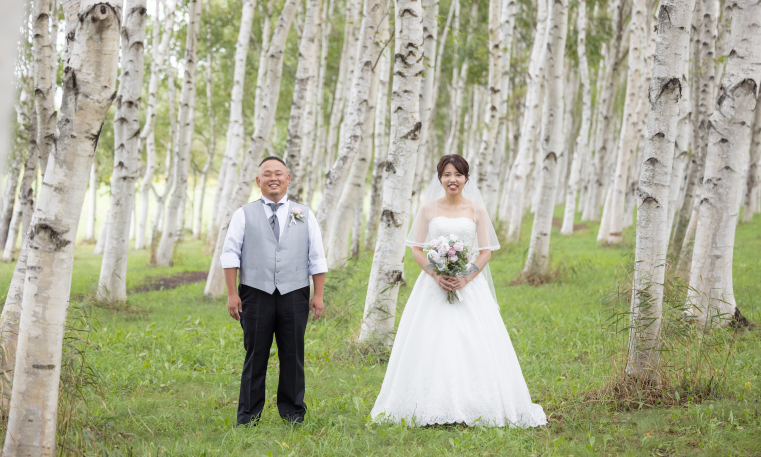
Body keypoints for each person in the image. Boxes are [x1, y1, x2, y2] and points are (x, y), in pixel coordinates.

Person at [370, 154, 546, 427]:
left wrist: (465, 278)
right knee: (430, 341)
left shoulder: (477, 210)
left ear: (466, 178)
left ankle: (476, 403)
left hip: (469, 285)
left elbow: (485, 252)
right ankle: (426, 403)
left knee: (474, 341)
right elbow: (417, 249)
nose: (452, 180)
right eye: (447, 174)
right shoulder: (427, 208)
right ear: (440, 178)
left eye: (458, 175)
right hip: (433, 284)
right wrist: (435, 273)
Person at [221, 156, 327, 426]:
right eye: (267, 174)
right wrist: (232, 294)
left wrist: (318, 295)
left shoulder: (304, 214)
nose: (273, 178)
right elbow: (230, 254)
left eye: (278, 173)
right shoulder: (243, 214)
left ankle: (293, 414)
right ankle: (248, 416)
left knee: (293, 354)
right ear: (258, 181)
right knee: (255, 354)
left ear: (287, 179)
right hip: (255, 292)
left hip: (295, 292)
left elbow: (317, 257)